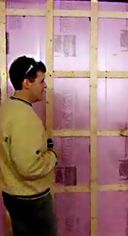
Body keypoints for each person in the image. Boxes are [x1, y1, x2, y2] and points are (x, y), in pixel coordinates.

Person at [0, 56, 58, 236]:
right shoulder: (23, 117)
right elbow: (29, 167)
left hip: (14, 193)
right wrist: (52, 157)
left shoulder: (7, 107)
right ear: (27, 82)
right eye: (41, 81)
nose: (45, 86)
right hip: (32, 199)